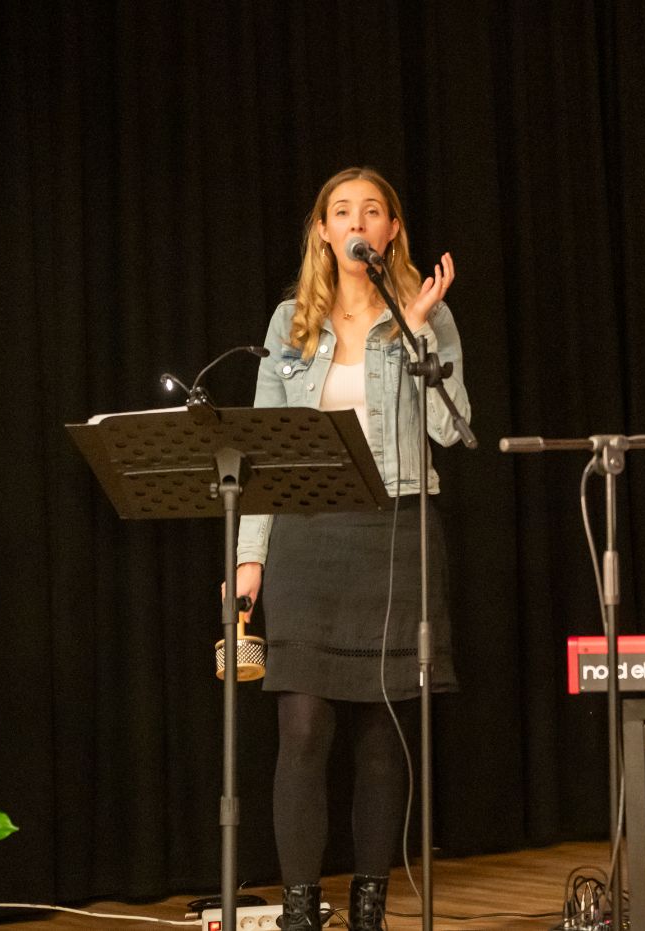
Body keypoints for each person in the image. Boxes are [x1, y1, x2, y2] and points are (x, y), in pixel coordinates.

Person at [232, 167, 470, 931]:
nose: (357, 222)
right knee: (302, 726)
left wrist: (419, 328)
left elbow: (451, 427)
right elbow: (263, 448)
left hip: (395, 530)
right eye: (342, 211)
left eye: (372, 210)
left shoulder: (427, 315)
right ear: (324, 231)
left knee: (381, 734)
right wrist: (249, 556)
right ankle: (301, 912)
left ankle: (370, 908)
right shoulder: (290, 322)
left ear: (391, 230)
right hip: (307, 535)